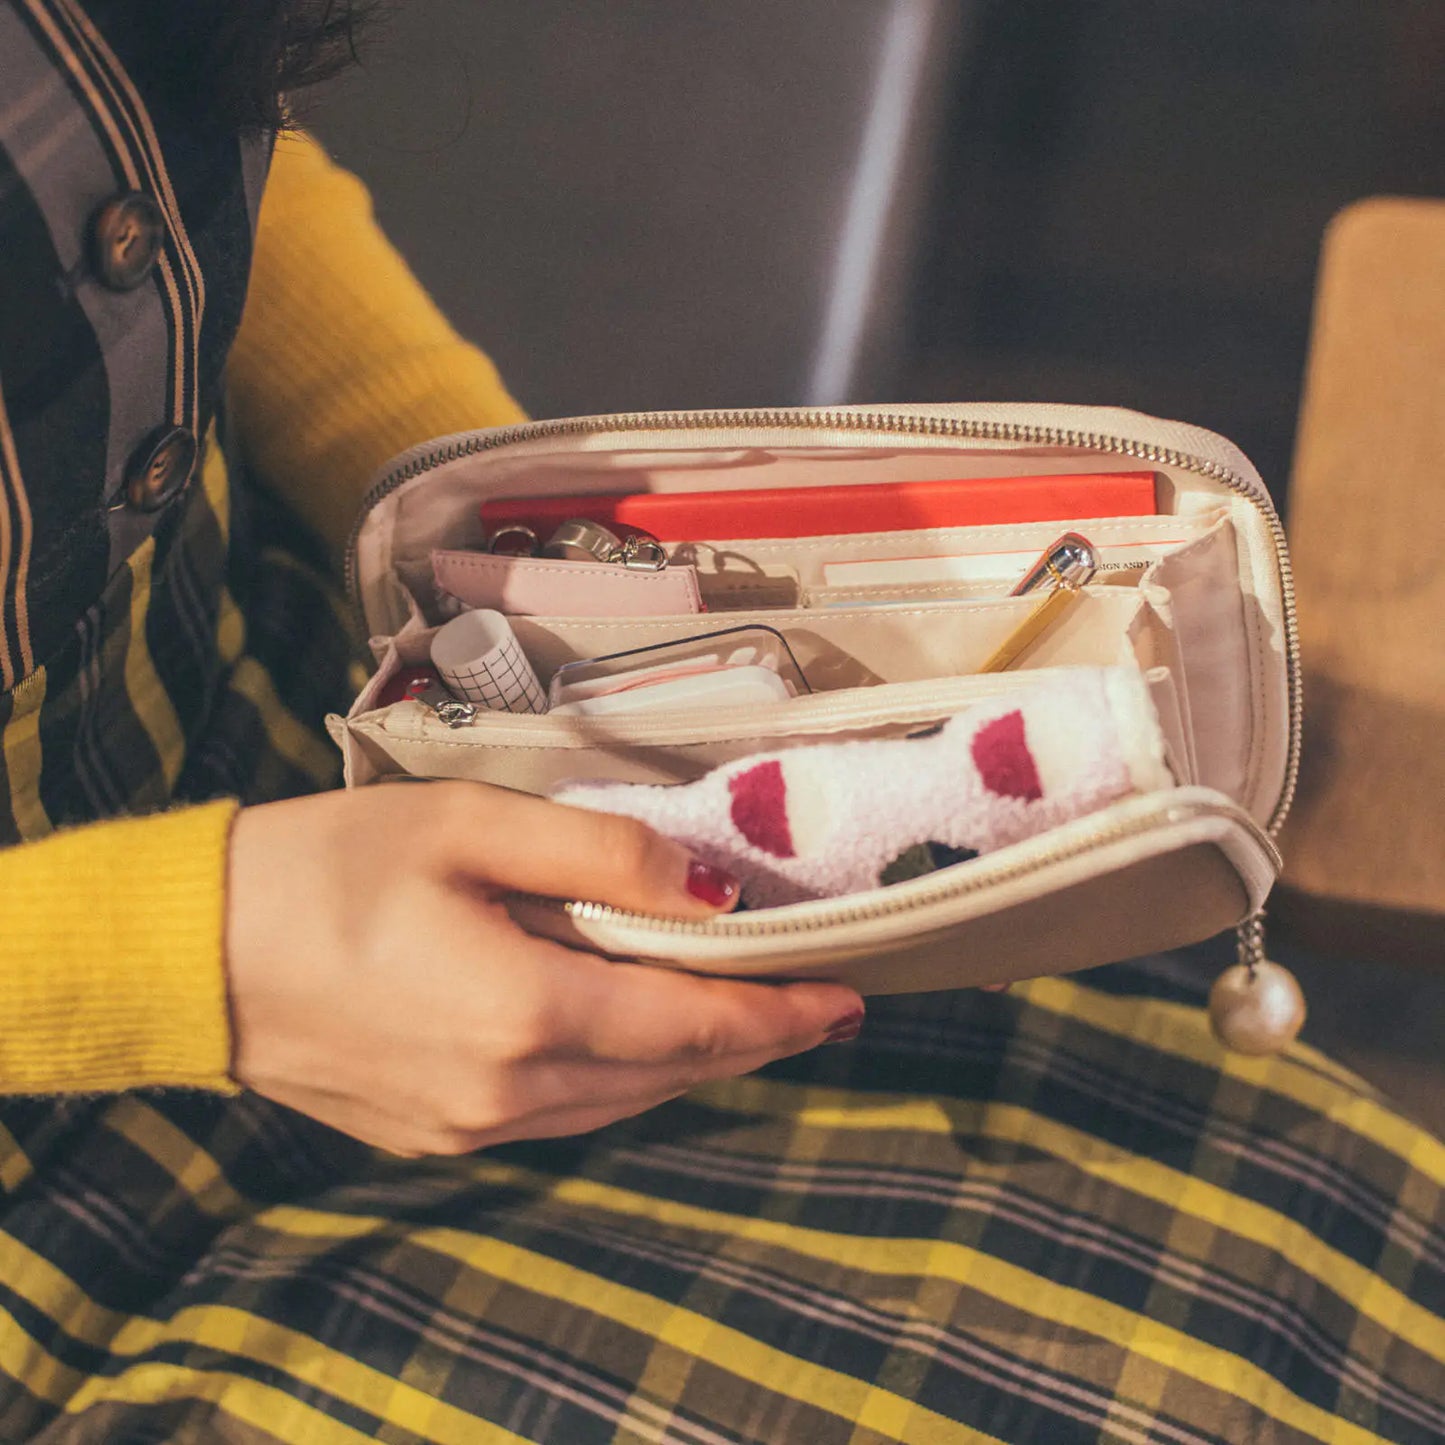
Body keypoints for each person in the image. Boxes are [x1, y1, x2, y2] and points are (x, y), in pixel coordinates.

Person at [1, 4, 1440, 1441]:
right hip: (66, 1177)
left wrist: (489, 541)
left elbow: (164, 136)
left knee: (1333, 1248)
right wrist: (179, 961)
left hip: (326, 743)